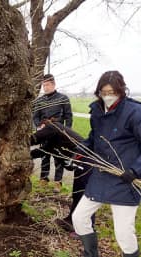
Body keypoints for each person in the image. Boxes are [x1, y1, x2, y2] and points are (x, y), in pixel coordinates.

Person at [72, 71, 141, 257]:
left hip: (125, 179)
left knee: (124, 233)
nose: (108, 96)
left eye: (112, 92)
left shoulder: (135, 112)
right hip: (102, 176)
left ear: (121, 91)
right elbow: (94, 138)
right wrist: (80, 152)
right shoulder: (97, 111)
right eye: (104, 92)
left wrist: (135, 171)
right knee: (79, 218)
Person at [30, 119, 92, 233]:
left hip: (86, 160)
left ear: (43, 125)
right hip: (83, 160)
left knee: (82, 194)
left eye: (40, 128)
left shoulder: (53, 126)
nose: (39, 130)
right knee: (77, 193)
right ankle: (71, 221)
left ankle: (83, 228)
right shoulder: (54, 138)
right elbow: (43, 151)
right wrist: (26, 155)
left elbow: (35, 138)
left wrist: (21, 142)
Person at [32, 74, 73, 193]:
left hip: (58, 133)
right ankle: (43, 179)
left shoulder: (63, 98)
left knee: (59, 156)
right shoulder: (40, 100)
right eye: (44, 85)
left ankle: (58, 182)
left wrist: (66, 132)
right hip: (44, 132)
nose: (45, 87)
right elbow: (35, 117)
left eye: (48, 85)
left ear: (54, 84)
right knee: (44, 155)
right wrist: (39, 126)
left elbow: (68, 117)